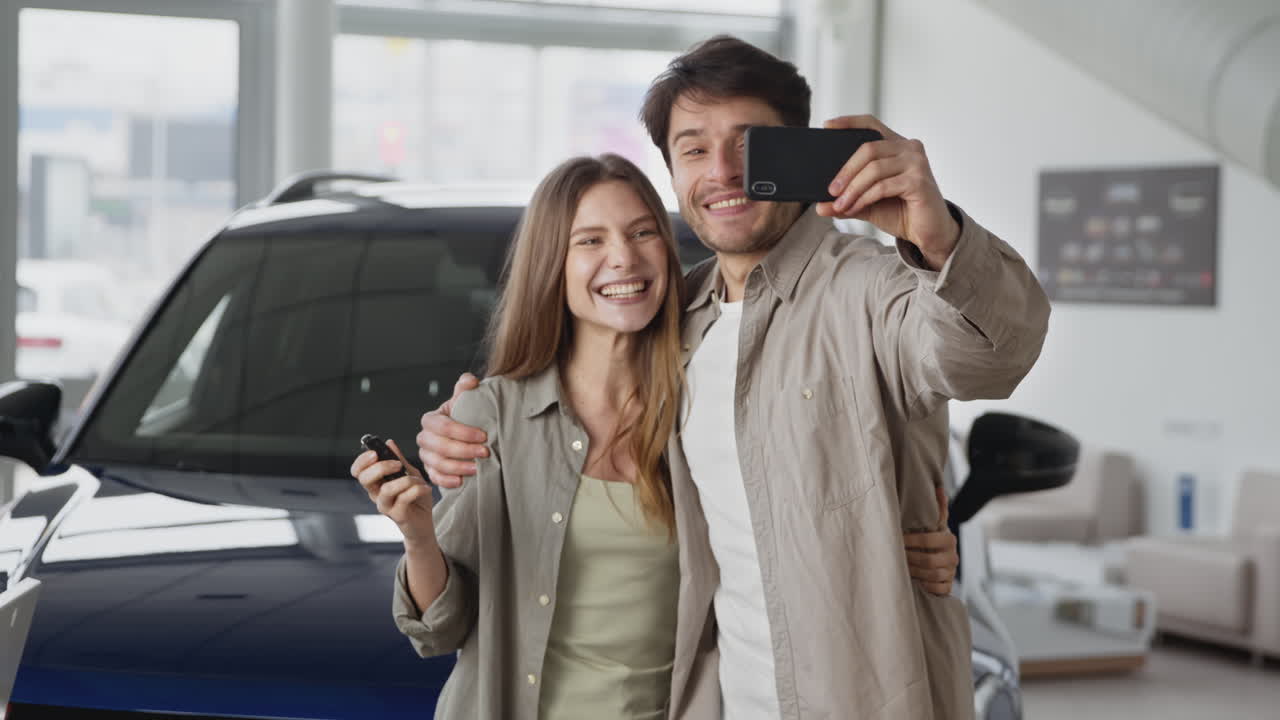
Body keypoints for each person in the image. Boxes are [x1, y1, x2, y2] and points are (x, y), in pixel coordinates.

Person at [418, 35, 1051, 720]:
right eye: (694, 149)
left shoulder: (872, 289)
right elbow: (574, 394)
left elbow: (989, 355)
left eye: (750, 144)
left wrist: (939, 238)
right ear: (672, 173)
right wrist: (460, 429)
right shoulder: (675, 316)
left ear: (797, 152)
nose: (723, 171)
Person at [352, 153, 958, 720]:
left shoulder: (704, 407)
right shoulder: (493, 417)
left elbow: (790, 517)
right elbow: (439, 628)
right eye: (590, 240)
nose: (623, 258)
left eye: (642, 233)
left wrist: (891, 547)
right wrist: (419, 534)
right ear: (551, 265)